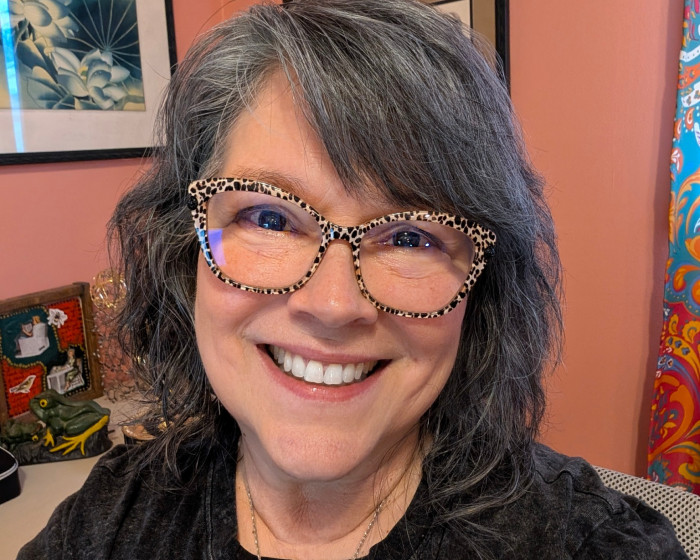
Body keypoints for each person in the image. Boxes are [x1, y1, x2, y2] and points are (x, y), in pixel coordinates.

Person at [18, 1, 688, 558]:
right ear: (183, 249)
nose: (335, 305)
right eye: (270, 218)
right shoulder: (109, 521)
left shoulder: (588, 544)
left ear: (481, 288)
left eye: (411, 237)